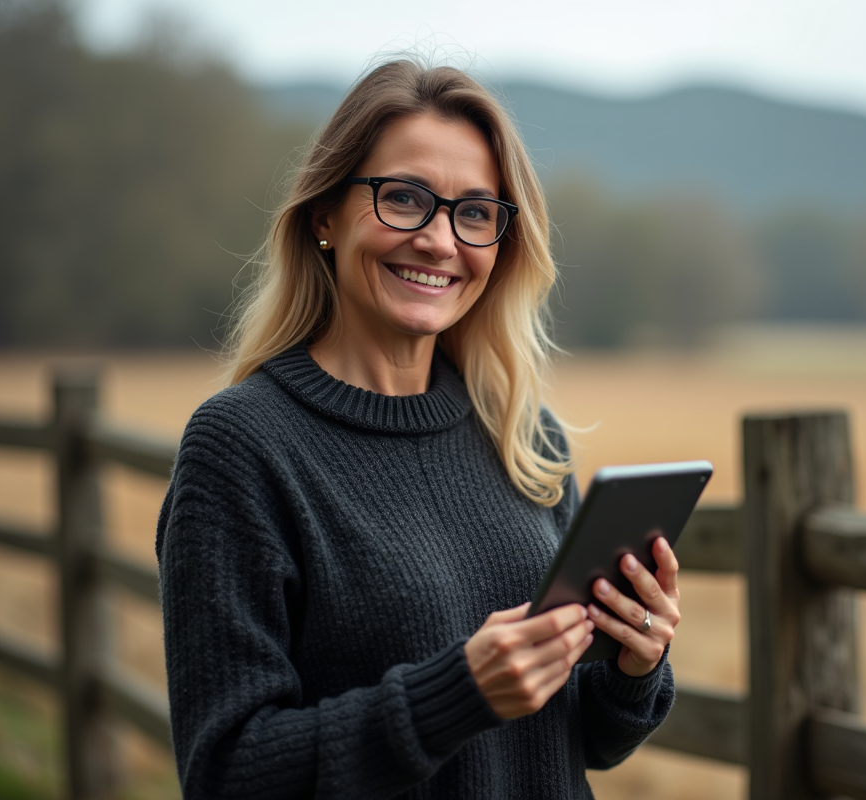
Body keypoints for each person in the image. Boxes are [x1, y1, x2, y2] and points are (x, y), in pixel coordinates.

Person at [156, 59, 681, 799]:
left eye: (474, 212)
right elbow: (227, 772)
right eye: (404, 198)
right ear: (324, 215)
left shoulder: (526, 437)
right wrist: (457, 693)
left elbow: (576, 742)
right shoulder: (242, 447)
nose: (439, 241)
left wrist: (634, 666)